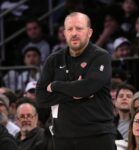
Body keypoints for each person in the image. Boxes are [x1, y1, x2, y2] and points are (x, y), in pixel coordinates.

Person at [36, 12, 116, 150]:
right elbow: (41, 98)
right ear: (64, 33)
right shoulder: (53, 59)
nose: (74, 33)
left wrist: (56, 85)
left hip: (97, 135)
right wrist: (75, 90)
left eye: (79, 28)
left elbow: (87, 87)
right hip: (63, 138)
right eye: (69, 29)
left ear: (89, 32)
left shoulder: (100, 56)